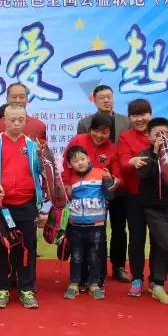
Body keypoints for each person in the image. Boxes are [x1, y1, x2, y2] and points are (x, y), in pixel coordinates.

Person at [0, 103, 46, 309]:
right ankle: (2, 289)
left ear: (26, 121)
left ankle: (27, 289)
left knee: (27, 248)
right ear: (4, 121)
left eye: (20, 120)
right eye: (12, 120)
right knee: (1, 248)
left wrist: (44, 160)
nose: (16, 124)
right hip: (2, 205)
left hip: (27, 204)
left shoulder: (32, 145)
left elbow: (43, 171)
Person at [63, 113, 130, 284]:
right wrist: (68, 184)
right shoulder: (78, 140)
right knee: (77, 240)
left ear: (110, 133)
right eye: (96, 131)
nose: (99, 135)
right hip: (77, 198)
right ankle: (79, 278)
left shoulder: (113, 149)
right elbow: (66, 163)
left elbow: (118, 178)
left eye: (105, 132)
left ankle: (98, 278)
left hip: (98, 201)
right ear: (90, 129)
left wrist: (111, 180)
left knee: (98, 238)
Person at [136, 118, 168, 304]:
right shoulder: (144, 155)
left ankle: (157, 285)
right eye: (157, 134)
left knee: (160, 246)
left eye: (165, 133)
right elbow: (144, 174)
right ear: (149, 137)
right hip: (153, 210)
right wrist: (155, 154)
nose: (161, 137)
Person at [63, 146, 118, 300]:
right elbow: (65, 198)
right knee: (76, 256)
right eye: (75, 161)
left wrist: (108, 180)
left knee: (94, 256)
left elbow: (110, 195)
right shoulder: (70, 179)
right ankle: (74, 283)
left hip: (96, 226)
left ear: (88, 159)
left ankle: (94, 284)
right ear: (69, 165)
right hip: (75, 225)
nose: (80, 163)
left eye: (82, 159)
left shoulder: (100, 173)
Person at [118, 99, 156, 297]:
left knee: (159, 239)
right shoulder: (126, 137)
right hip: (135, 196)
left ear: (150, 114)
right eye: (135, 115)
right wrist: (131, 161)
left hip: (159, 197)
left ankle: (157, 279)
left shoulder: (160, 133)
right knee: (137, 238)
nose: (139, 119)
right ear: (130, 118)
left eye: (143, 114)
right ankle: (137, 278)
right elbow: (123, 162)